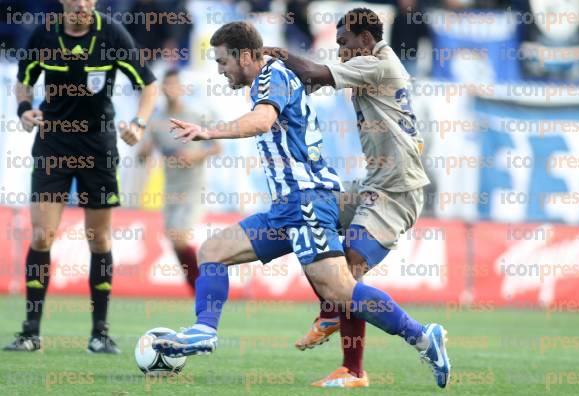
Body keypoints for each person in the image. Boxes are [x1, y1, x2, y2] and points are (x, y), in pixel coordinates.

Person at [151, 21, 450, 389]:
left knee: (341, 290)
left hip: (307, 201)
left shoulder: (269, 77)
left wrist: (211, 131)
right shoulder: (270, 78)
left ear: (246, 56)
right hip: (287, 207)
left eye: (223, 61)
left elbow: (263, 121)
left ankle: (422, 337)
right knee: (213, 250)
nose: (220, 70)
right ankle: (204, 330)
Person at [263, 7, 441, 387]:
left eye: (344, 42)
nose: (340, 50)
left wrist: (275, 53)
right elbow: (311, 83)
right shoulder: (368, 65)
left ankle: (383, 354)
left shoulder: (378, 64)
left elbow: (313, 72)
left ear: (365, 39)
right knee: (307, 212)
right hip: (372, 184)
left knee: (351, 264)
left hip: (398, 191)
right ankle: (333, 315)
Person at [4, 0, 157, 353]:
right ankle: (30, 332)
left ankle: (99, 333)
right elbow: (23, 82)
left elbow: (148, 85)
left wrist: (139, 123)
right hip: (53, 143)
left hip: (98, 147)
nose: (83, 5)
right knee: (42, 235)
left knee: (99, 239)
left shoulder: (111, 33)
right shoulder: (44, 33)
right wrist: (25, 110)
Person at [138, 69, 221, 289]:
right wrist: (143, 149)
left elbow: (216, 146)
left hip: (194, 187)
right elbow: (142, 154)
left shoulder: (196, 115)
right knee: (175, 242)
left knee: (180, 238)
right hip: (171, 189)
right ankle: (197, 289)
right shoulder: (156, 120)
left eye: (176, 85)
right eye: (168, 85)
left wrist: (195, 155)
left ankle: (206, 286)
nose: (172, 90)